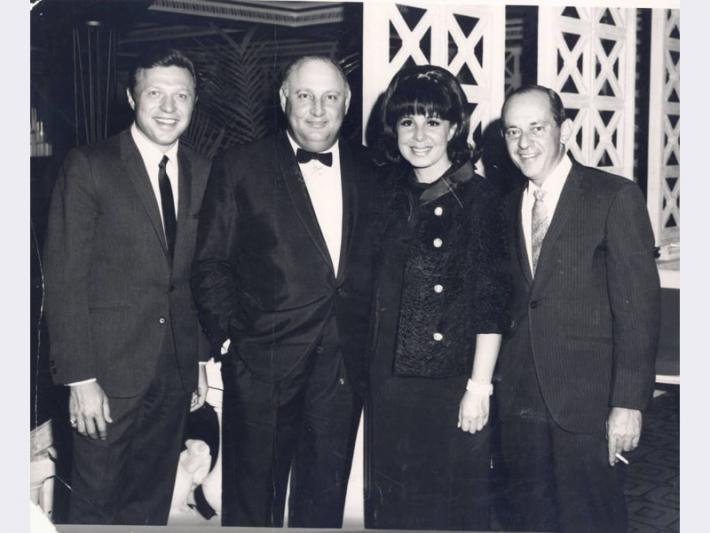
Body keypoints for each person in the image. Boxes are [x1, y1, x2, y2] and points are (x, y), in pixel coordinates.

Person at [191, 55, 382, 528]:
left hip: (342, 362)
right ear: (283, 100)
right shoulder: (240, 165)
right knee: (253, 498)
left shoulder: (373, 169)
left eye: (330, 97)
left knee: (324, 497)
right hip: (263, 360)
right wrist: (234, 334)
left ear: (347, 103)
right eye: (304, 96)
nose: (318, 109)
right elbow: (211, 262)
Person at [43, 47, 210, 525]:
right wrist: (80, 379)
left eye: (181, 96)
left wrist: (196, 358)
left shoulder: (204, 171)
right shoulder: (90, 165)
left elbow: (196, 273)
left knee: (151, 500)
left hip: (174, 370)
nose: (168, 107)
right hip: (106, 373)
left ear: (194, 103)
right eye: (155, 93)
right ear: (131, 97)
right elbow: (65, 278)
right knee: (96, 503)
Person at [495, 85, 660, 532]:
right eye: (513, 131)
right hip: (520, 404)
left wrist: (628, 403)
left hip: (589, 406)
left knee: (593, 520)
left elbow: (639, 309)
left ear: (563, 130)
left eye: (536, 128)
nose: (524, 143)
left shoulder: (613, 195)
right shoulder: (505, 203)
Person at [364, 64, 510, 531]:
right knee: (394, 508)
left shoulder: (480, 198)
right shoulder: (387, 191)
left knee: (450, 508)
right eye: (408, 121)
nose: (419, 135)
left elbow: (492, 300)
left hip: (449, 383)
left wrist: (479, 388)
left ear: (453, 127)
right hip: (387, 379)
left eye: (432, 121)